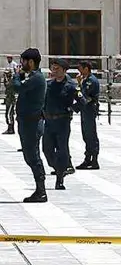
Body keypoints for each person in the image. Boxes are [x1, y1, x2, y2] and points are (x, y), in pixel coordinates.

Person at [11, 49, 48, 202]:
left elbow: (18, 87)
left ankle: (41, 191)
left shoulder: (37, 78)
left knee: (33, 157)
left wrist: (16, 76)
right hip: (27, 122)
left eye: (23, 61)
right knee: (29, 156)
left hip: (32, 123)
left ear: (31, 62)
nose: (21, 64)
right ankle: (40, 190)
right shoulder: (33, 77)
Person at [42, 59, 81, 191]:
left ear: (64, 71)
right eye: (53, 68)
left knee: (61, 150)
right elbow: (43, 101)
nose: (54, 71)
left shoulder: (70, 86)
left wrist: (71, 109)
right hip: (48, 122)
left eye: (57, 69)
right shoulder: (48, 85)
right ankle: (59, 168)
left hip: (62, 122)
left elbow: (82, 101)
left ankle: (60, 179)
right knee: (46, 149)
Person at [75, 61, 101, 170]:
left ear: (86, 69)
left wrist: (79, 84)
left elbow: (84, 95)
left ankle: (94, 160)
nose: (79, 71)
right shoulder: (86, 80)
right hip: (85, 110)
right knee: (86, 135)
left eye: (80, 68)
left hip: (89, 109)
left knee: (90, 135)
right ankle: (88, 159)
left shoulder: (91, 81)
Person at [4, 54, 17, 135]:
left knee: (9, 114)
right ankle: (9, 128)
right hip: (8, 99)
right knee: (7, 114)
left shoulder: (12, 82)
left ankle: (11, 129)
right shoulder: (8, 82)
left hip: (11, 100)